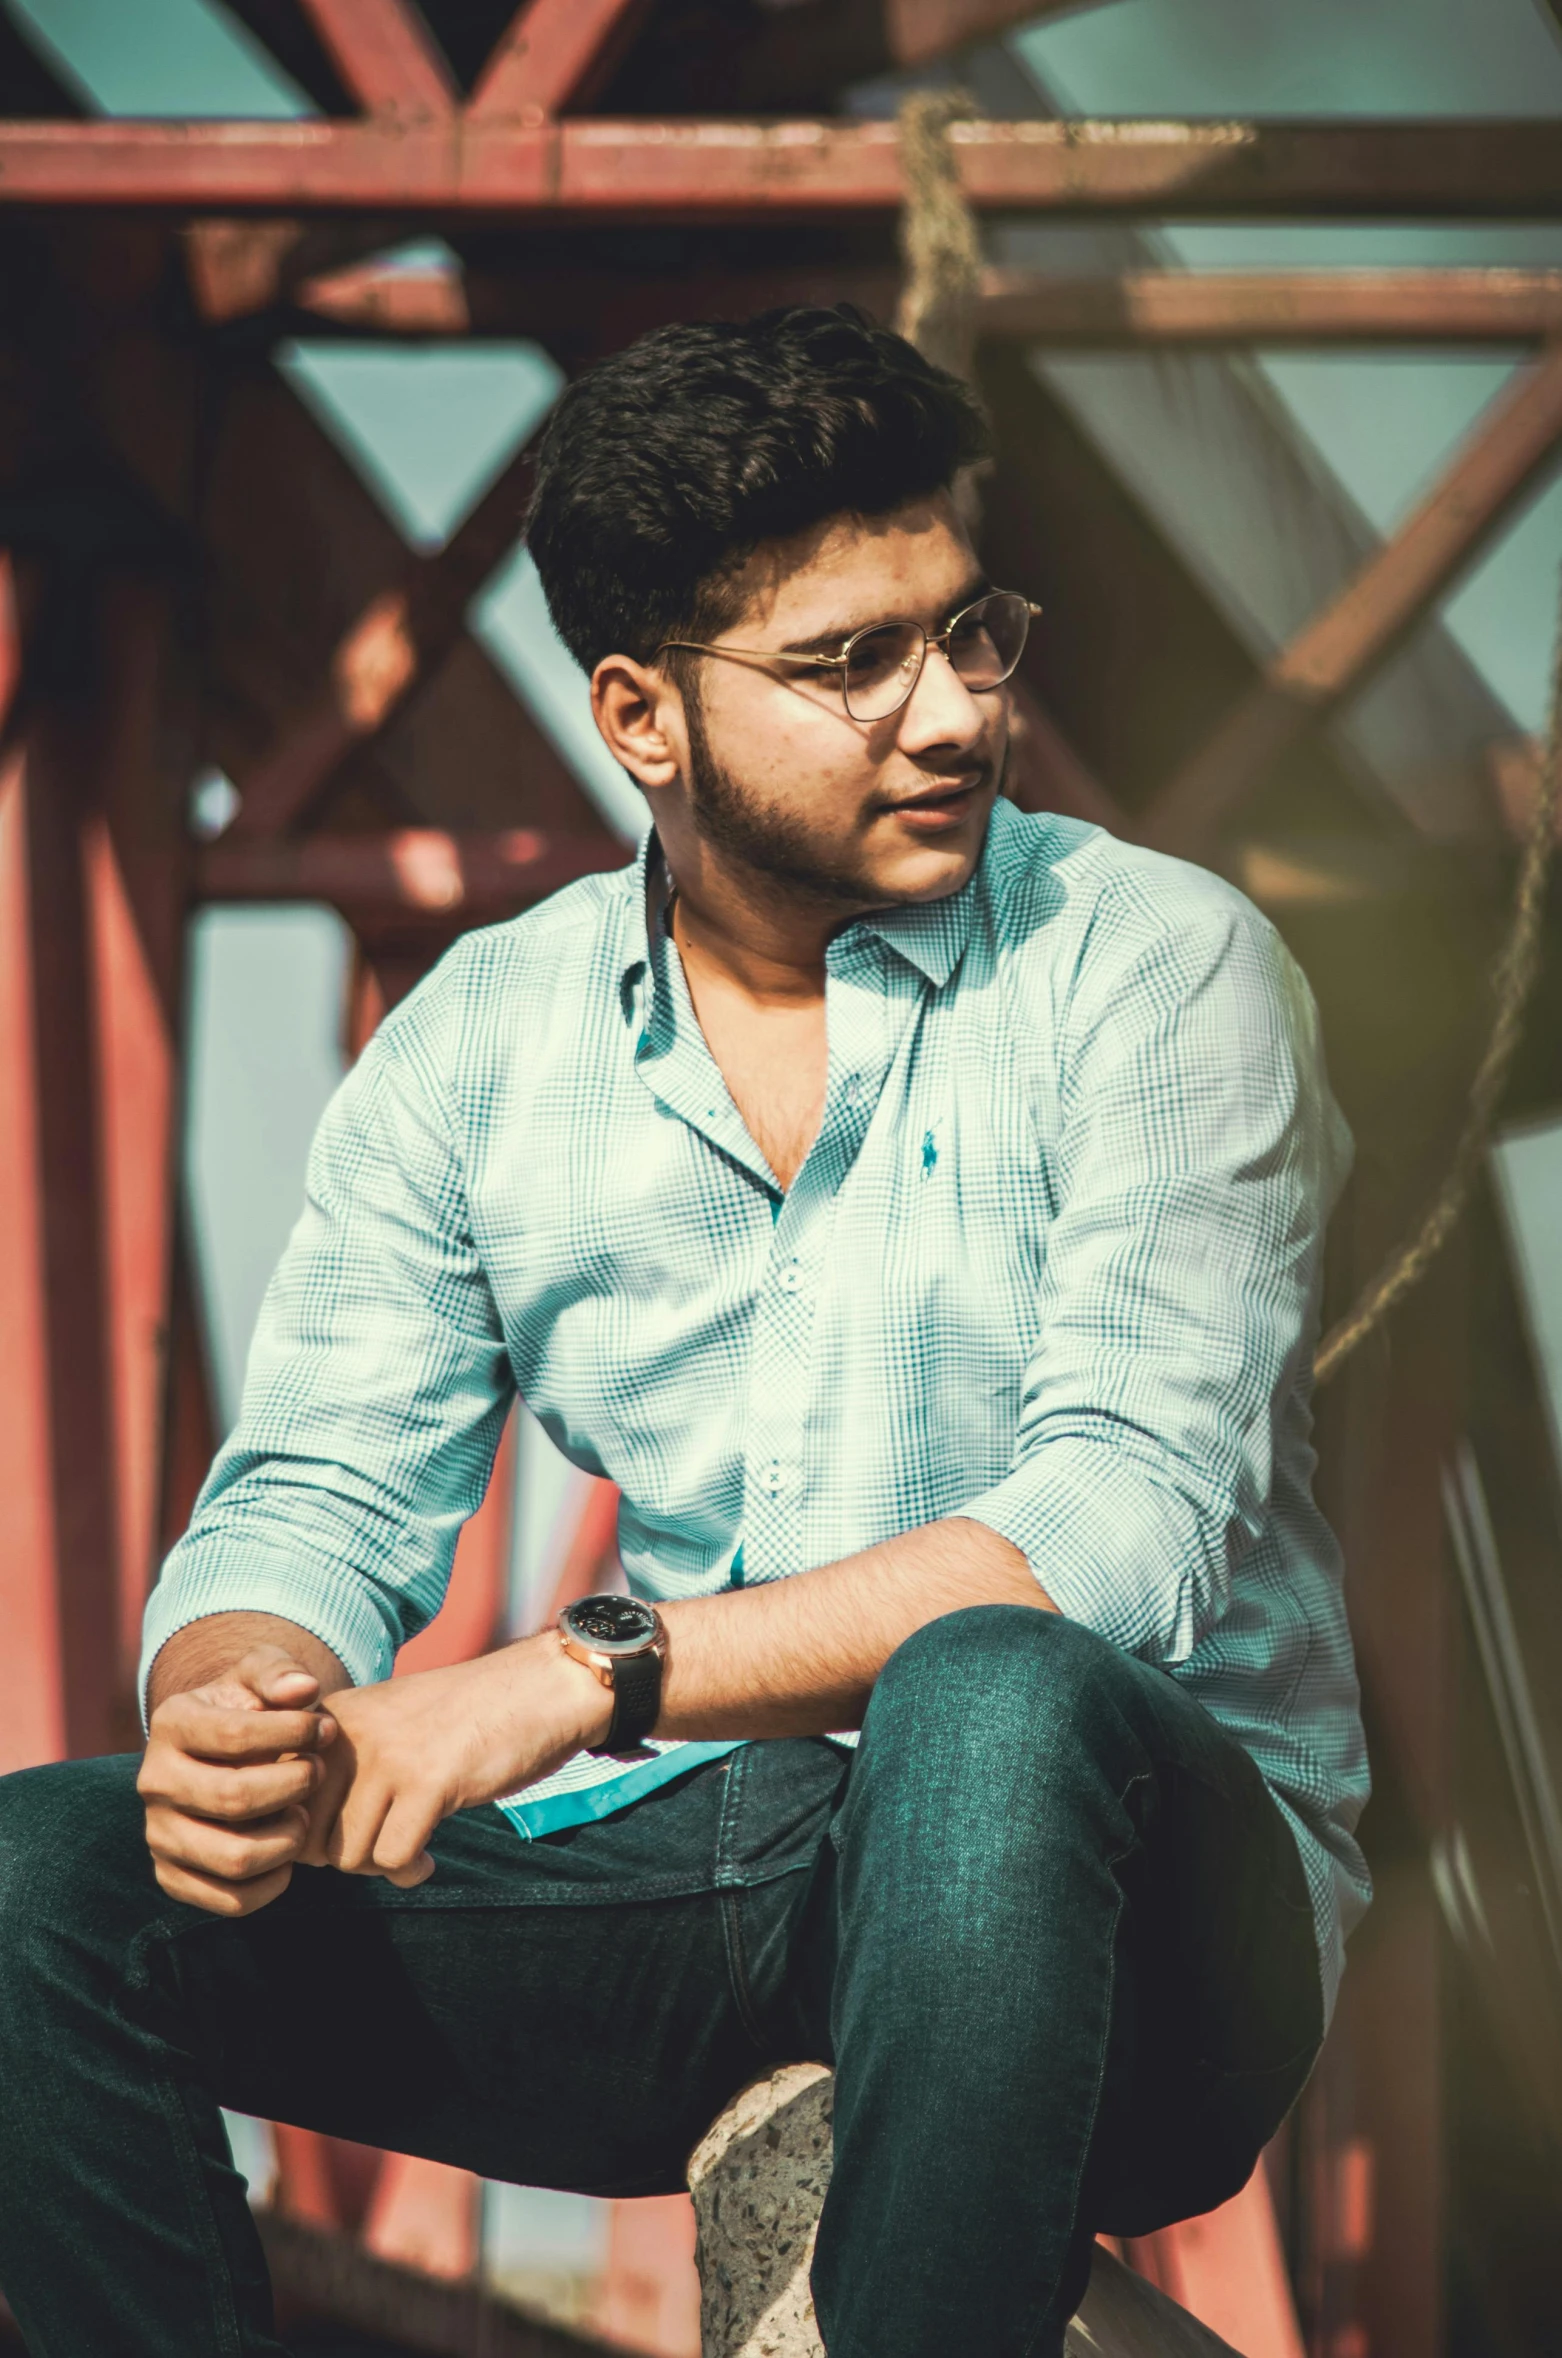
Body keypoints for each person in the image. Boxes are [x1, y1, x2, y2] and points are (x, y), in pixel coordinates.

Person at [0, 306, 1368, 2358]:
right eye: (847, 665)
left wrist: (578, 1675)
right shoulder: (482, 1044)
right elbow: (312, 1493)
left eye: (966, 629)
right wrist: (243, 1699)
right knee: (37, 1878)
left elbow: (1117, 1529)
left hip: (1133, 1919)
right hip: (705, 1879)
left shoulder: (1158, 973)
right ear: (641, 716)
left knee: (989, 1694)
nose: (949, 716)